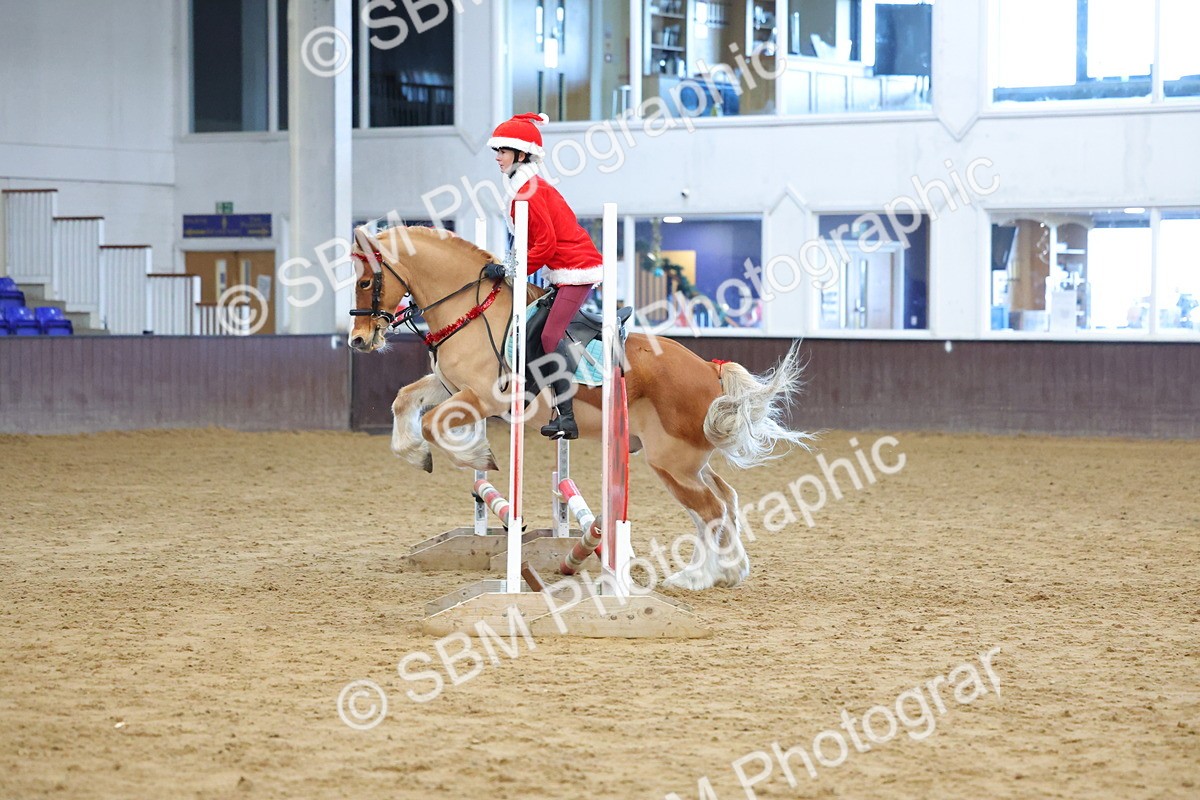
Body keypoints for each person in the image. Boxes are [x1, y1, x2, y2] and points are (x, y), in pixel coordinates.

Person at [488, 112, 601, 440]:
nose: (497, 158)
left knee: (551, 337)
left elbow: (546, 244)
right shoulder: (524, 188)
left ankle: (568, 417)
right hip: (563, 272)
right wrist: (509, 267)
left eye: (503, 151)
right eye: (497, 151)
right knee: (537, 331)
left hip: (577, 270)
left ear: (522, 155)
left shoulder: (530, 192)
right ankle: (526, 397)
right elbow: (531, 244)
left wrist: (510, 270)